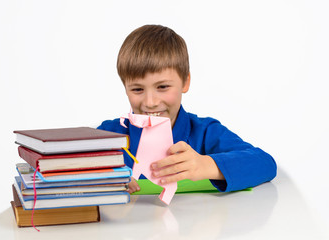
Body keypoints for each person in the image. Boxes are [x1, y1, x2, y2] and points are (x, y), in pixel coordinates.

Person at [98, 24, 277, 194]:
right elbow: (73, 167)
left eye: (163, 87)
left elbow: (265, 164)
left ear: (185, 82)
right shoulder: (109, 136)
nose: (150, 102)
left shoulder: (206, 132)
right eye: (137, 89)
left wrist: (206, 165)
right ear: (125, 88)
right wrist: (98, 176)